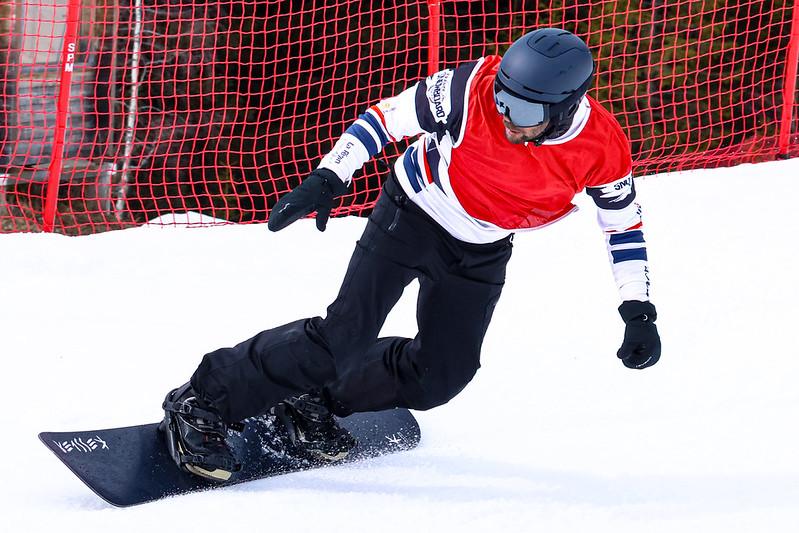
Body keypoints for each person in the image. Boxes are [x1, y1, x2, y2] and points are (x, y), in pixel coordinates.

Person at [159, 27, 662, 481]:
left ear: (567, 107)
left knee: (441, 376)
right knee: (342, 338)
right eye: (504, 101)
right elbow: (386, 119)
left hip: (482, 245)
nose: (508, 118)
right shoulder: (470, 88)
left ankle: (313, 398)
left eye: (526, 112)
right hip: (414, 210)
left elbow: (623, 226)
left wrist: (637, 309)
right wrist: (330, 175)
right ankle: (202, 399)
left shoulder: (602, 149)